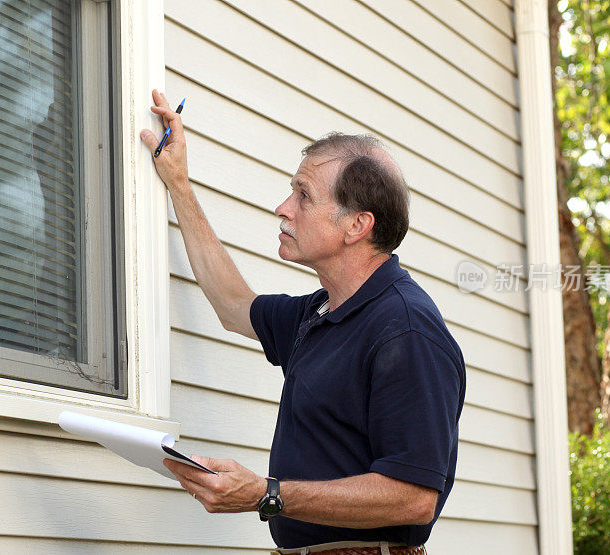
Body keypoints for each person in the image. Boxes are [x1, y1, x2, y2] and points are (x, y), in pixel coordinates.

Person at [141, 90, 466, 555]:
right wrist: (179, 184)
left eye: (303, 196)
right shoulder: (320, 313)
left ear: (356, 226)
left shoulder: (406, 330)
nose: (283, 207)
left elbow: (413, 498)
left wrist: (267, 494)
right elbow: (234, 306)